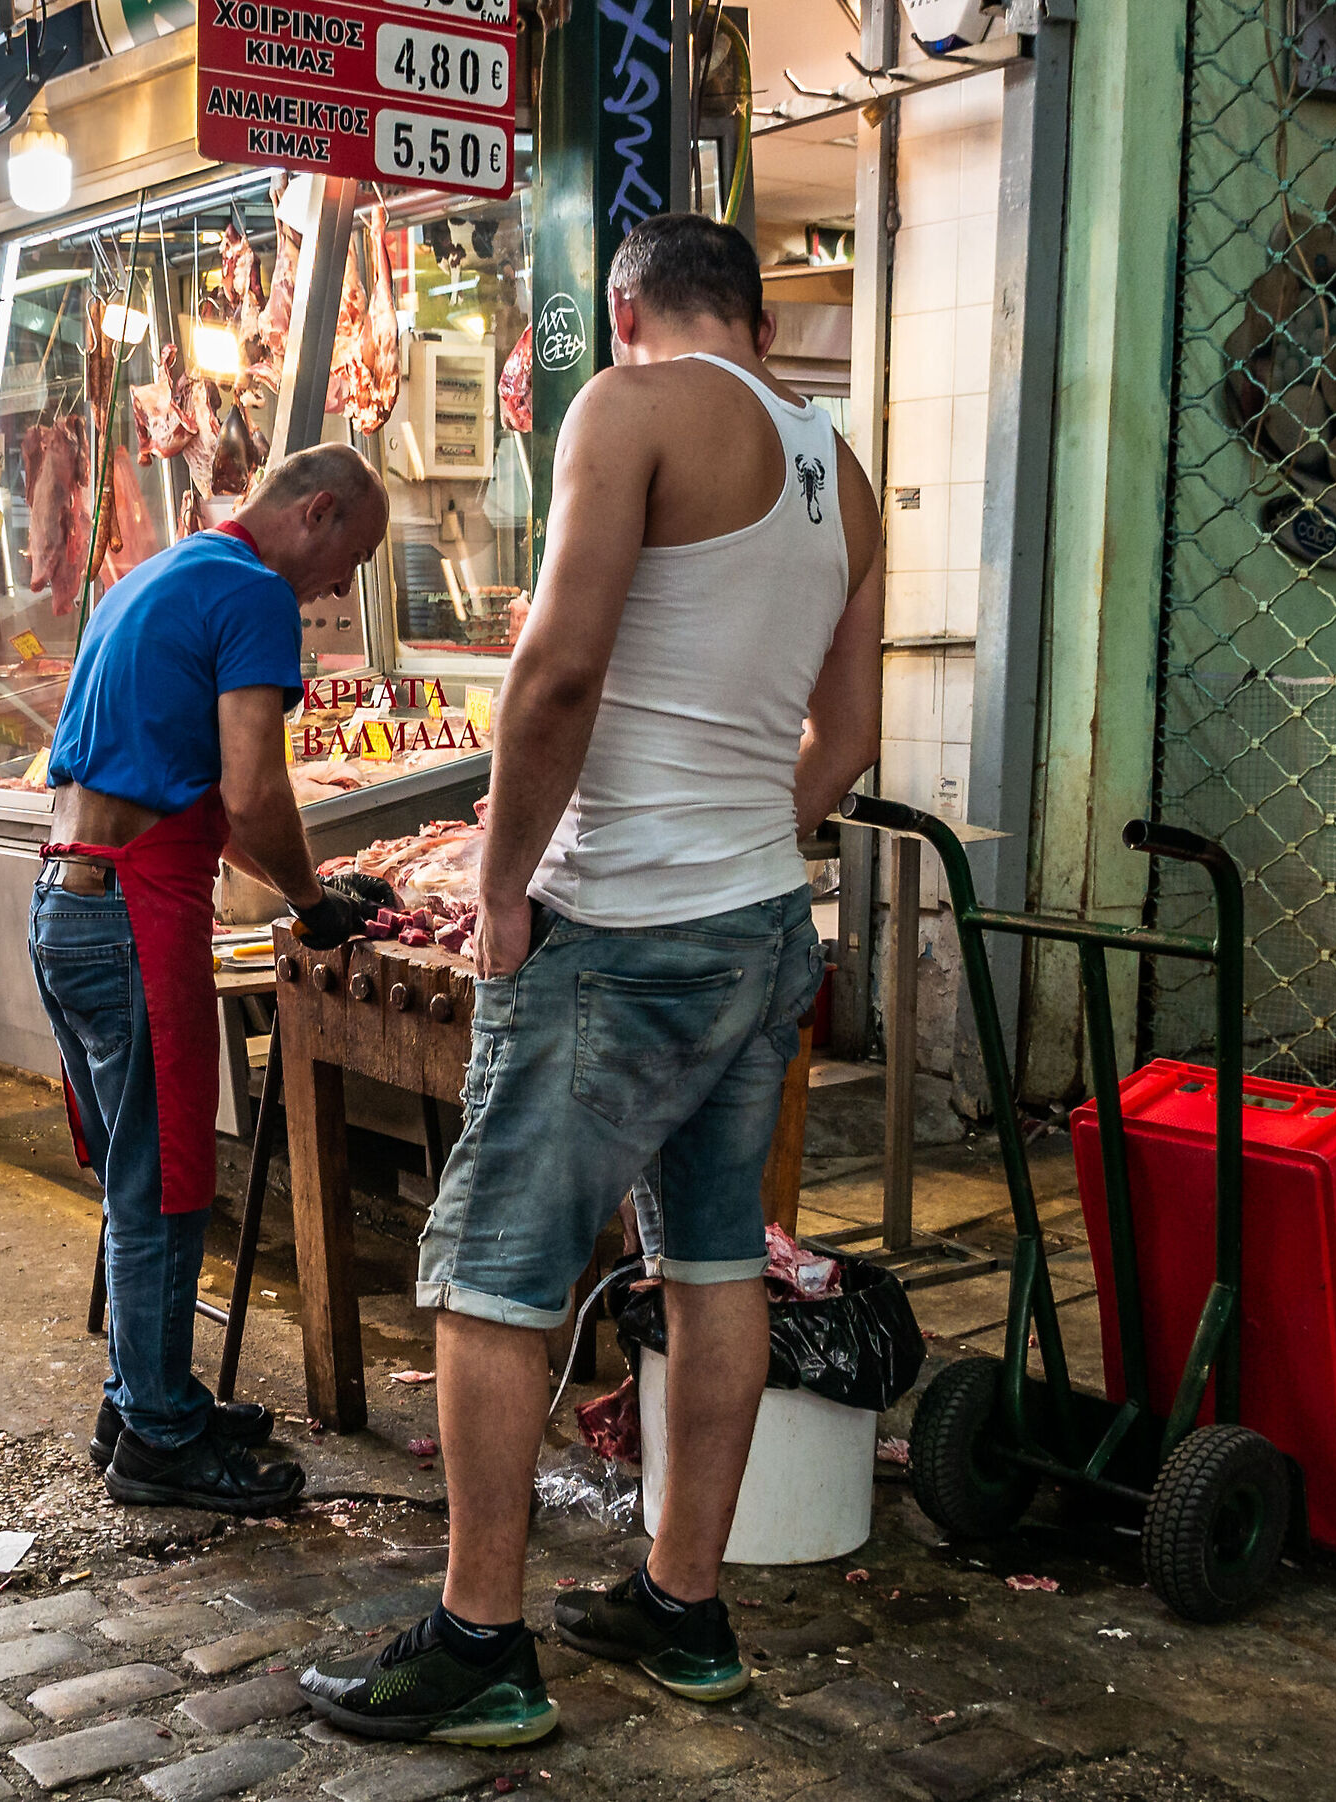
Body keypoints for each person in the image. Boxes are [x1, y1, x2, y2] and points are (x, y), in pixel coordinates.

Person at [301, 215, 884, 1743]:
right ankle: (682, 1601)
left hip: (620, 931)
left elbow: (553, 673)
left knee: (490, 1272)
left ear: (627, 309)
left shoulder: (627, 406)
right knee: (712, 1265)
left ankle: (480, 1636)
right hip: (764, 923)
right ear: (754, 318)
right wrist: (751, 830)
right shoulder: (845, 470)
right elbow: (850, 734)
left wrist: (501, 885)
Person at [32, 443, 389, 1515]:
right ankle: (158, 1438)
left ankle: (145, 1392)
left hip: (66, 896)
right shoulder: (251, 593)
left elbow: (200, 798)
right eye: (348, 559)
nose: (340, 588)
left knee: (139, 1171)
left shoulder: (158, 571)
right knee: (168, 1177)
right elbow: (255, 788)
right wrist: (315, 905)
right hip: (133, 910)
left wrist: (301, 883)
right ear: (316, 513)